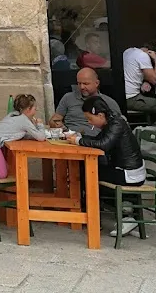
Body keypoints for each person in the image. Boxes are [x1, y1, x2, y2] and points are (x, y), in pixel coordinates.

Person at [66, 96, 146, 237]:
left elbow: (103, 144)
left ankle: (121, 215)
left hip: (128, 173)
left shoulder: (116, 124)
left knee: (88, 173)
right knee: (86, 170)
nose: (89, 122)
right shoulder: (111, 123)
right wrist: (78, 138)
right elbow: (98, 140)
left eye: (90, 119)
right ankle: (102, 212)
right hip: (122, 170)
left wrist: (78, 140)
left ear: (101, 115)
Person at [0, 94, 46, 179]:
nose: (36, 110)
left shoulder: (13, 114)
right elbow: (41, 137)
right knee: (2, 174)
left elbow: (17, 133)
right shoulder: (24, 120)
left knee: (8, 169)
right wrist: (40, 124)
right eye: (35, 108)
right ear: (28, 109)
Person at [49, 68, 121, 134]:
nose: (82, 87)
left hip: (95, 141)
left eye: (86, 84)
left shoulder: (109, 102)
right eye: (79, 83)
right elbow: (55, 119)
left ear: (97, 83)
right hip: (69, 138)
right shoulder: (68, 98)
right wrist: (57, 125)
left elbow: (119, 127)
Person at [123, 44, 156, 122]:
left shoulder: (128, 51)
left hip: (122, 97)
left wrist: (143, 82)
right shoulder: (142, 56)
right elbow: (155, 80)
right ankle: (152, 130)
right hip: (131, 98)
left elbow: (134, 72)